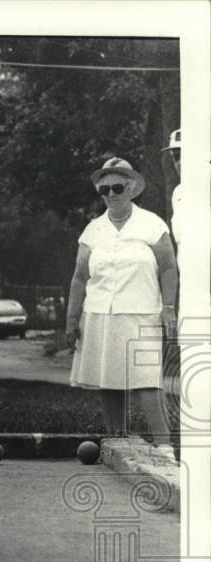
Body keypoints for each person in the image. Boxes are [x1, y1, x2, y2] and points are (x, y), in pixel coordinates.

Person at [65, 158, 178, 460]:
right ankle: (118, 437)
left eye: (117, 187)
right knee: (108, 377)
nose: (111, 194)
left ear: (130, 188)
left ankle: (164, 444)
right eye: (105, 190)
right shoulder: (93, 230)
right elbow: (79, 277)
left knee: (146, 378)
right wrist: (71, 320)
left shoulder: (152, 224)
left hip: (141, 311)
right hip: (100, 312)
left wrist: (168, 308)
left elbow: (168, 267)